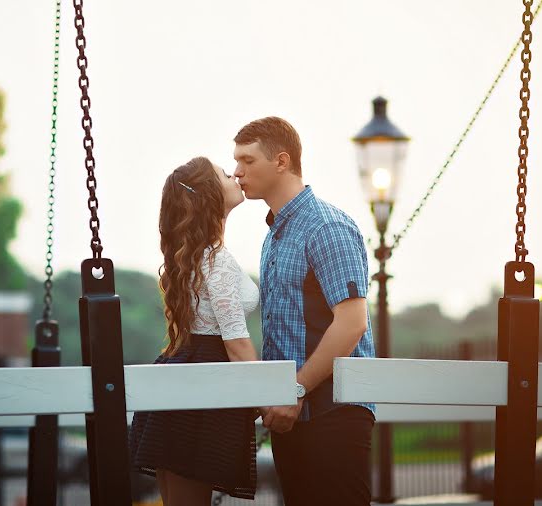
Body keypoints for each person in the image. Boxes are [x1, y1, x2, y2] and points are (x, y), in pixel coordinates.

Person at [233, 116, 376, 505]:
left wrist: (295, 390)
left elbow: (352, 323)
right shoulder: (274, 236)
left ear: (281, 161)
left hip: (334, 412)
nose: (237, 171)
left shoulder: (326, 227)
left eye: (247, 160)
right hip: (290, 415)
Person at [128, 156, 261, 505]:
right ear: (209, 195)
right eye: (223, 173)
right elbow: (236, 342)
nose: (233, 174)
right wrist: (269, 397)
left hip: (184, 380)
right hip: (200, 390)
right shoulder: (215, 261)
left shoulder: (198, 258)